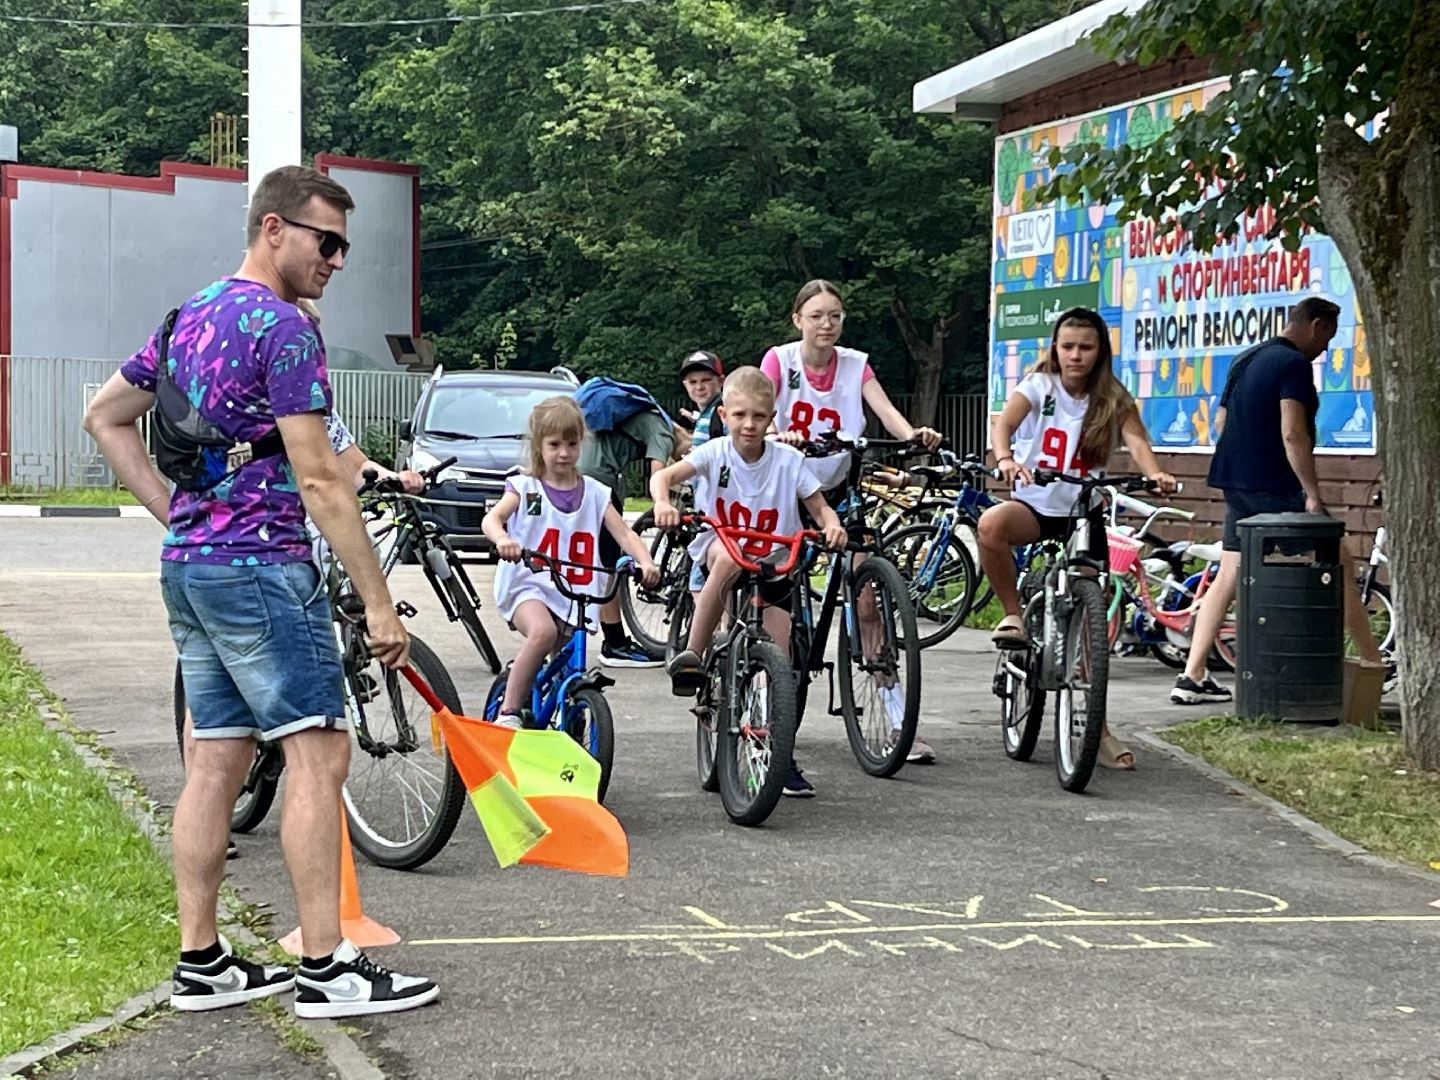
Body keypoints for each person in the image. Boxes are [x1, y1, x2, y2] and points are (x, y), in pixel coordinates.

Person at [83, 164, 438, 1018]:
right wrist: (380, 602)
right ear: (274, 228)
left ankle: (201, 961)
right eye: (327, 240)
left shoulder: (190, 315)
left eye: (346, 246)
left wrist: (180, 515)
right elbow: (321, 479)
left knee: (214, 760)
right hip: (265, 567)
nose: (339, 259)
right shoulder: (283, 329)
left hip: (195, 570)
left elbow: (104, 414)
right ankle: (325, 967)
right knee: (320, 754)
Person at [763, 279, 944, 787]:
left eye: (835, 316)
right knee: (780, 600)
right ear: (798, 319)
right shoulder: (779, 362)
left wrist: (913, 435)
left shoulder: (854, 363)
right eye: (817, 315)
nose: (827, 324)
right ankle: (773, 706)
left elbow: (884, 410)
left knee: (868, 595)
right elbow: (754, 412)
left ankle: (894, 713)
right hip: (788, 492)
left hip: (841, 487)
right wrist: (778, 433)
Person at [979, 306, 1176, 770]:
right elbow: (1003, 424)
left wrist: (1157, 474)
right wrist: (1006, 458)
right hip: (1036, 506)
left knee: (1090, 615)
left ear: (1100, 351)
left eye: (1086, 347)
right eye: (1067, 346)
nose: (1075, 355)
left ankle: (1098, 729)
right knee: (991, 527)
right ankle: (1013, 615)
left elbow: (1138, 442)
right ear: (1055, 348)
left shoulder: (1111, 396)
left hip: (1082, 509)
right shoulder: (1038, 387)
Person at [1171, 296, 1382, 704]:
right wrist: (1313, 494)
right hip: (1277, 485)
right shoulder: (1293, 365)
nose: (1325, 350)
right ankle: (1372, 665)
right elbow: (1293, 432)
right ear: (1316, 325)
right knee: (1340, 561)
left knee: (1230, 571)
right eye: (1328, 338)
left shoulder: (1247, 358)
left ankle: (1192, 675)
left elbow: (1221, 421)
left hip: (1236, 482)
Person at [653, 366, 848, 711]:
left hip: (773, 558)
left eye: (759, 416)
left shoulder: (789, 460)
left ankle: (771, 739)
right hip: (722, 545)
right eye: (740, 415)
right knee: (728, 559)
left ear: (771, 418)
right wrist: (662, 503)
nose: (749, 424)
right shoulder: (715, 452)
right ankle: (693, 656)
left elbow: (819, 508)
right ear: (724, 415)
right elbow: (665, 477)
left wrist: (832, 526)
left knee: (779, 660)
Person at [483, 396, 659, 727]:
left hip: (573, 591)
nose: (563, 453)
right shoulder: (526, 487)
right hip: (529, 585)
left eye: (571, 443)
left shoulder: (595, 493)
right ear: (539, 445)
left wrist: (645, 561)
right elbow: (492, 519)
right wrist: (504, 539)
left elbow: (624, 534)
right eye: (554, 444)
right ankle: (508, 713)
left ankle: (566, 715)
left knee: (566, 657)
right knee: (543, 633)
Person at [575, 379, 676, 667]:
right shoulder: (663, 431)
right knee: (609, 564)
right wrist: (663, 502)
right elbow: (658, 474)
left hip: (574, 472)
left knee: (583, 556)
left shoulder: (645, 415)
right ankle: (615, 644)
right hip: (597, 480)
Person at [672, 349, 727, 457]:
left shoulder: (725, 412)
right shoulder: (704, 416)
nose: (699, 387)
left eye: (706, 380)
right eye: (693, 382)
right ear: (685, 385)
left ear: (721, 381)